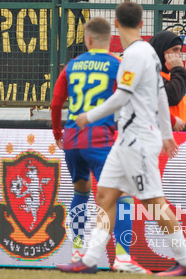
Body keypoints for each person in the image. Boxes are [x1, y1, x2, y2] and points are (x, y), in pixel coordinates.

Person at [60, 0, 186, 276]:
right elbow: (160, 92)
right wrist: (167, 135)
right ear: (142, 23)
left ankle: (185, 262)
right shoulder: (146, 52)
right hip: (126, 141)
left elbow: (122, 96)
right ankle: (89, 261)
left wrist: (89, 116)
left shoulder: (134, 54)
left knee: (153, 203)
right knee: (105, 195)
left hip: (139, 141)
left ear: (117, 24)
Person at [48, 18, 136, 270]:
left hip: (73, 139)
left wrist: (58, 132)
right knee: (122, 196)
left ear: (87, 40)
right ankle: (122, 256)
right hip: (99, 139)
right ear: (111, 39)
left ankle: (77, 253)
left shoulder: (73, 65)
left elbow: (56, 103)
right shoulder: (117, 64)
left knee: (81, 192)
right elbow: (128, 97)